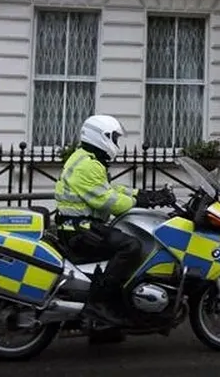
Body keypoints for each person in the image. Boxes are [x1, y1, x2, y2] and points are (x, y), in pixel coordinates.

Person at [54, 114, 173, 326]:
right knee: (131, 246)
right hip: (80, 230)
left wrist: (146, 194)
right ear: (102, 137)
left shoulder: (88, 159)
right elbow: (107, 200)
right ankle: (99, 303)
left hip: (81, 227)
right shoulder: (87, 165)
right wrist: (140, 201)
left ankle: (111, 319)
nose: (116, 143)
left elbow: (111, 189)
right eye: (115, 138)